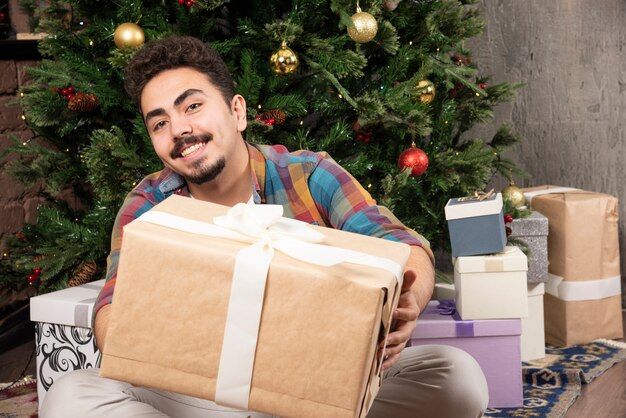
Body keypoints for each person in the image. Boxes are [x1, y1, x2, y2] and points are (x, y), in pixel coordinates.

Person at [40, 35, 488, 418]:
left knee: (457, 378)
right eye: (160, 123)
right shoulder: (149, 203)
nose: (179, 129)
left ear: (237, 112)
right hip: (197, 394)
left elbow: (402, 244)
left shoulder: (308, 175)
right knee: (69, 397)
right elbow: (111, 308)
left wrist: (407, 300)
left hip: (317, 387)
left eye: (192, 106)